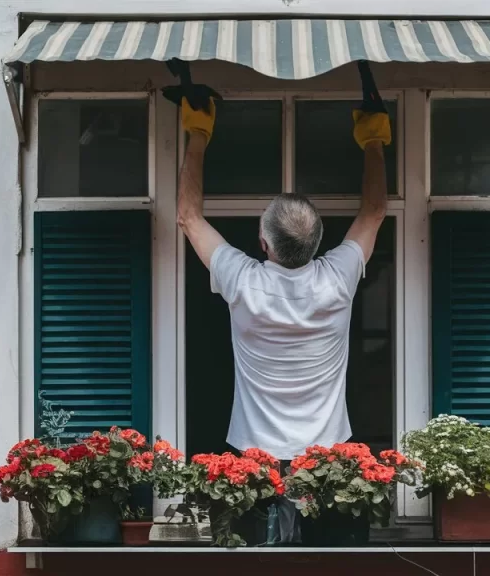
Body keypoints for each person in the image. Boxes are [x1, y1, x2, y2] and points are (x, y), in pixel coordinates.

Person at [176, 96, 390, 543]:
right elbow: (373, 211)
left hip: (253, 460)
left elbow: (188, 216)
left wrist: (198, 131)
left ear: (262, 242)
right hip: (328, 460)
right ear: (318, 242)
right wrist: (373, 139)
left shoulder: (242, 281)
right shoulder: (338, 279)